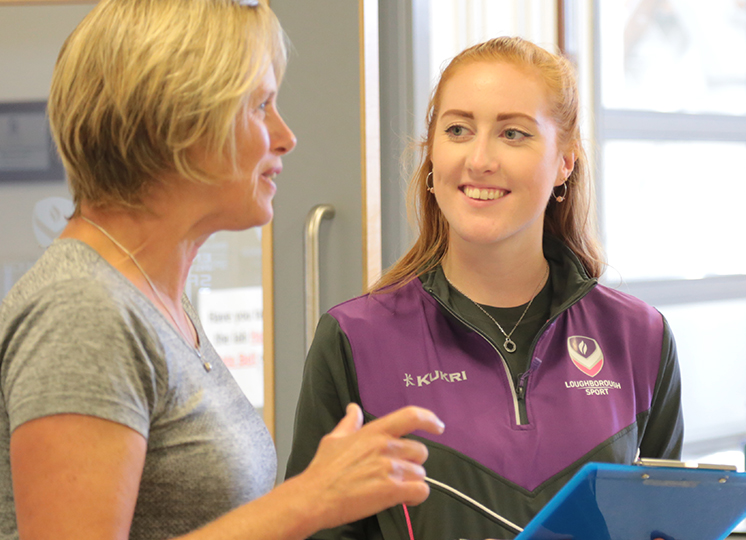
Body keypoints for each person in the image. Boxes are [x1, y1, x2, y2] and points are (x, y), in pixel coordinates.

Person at [0, 1, 444, 539]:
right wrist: (306, 501)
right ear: (176, 121)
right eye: (260, 106)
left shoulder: (154, 300)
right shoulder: (83, 311)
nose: (285, 136)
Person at [285, 36, 683, 540]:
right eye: (457, 130)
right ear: (432, 157)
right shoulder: (353, 339)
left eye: (513, 134)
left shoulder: (639, 337)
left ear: (565, 160)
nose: (479, 159)